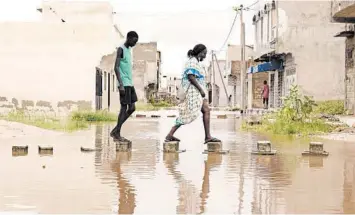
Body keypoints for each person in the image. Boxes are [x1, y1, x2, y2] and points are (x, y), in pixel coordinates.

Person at [165, 44, 221, 143]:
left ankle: (208, 136)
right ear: (199, 53)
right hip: (193, 92)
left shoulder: (196, 63)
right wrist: (201, 90)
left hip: (197, 93)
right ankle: (170, 134)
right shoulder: (192, 62)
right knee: (188, 114)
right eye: (204, 53)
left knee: (206, 110)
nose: (204, 56)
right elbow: (191, 77)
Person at [110, 31, 139, 142]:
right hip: (124, 84)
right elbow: (116, 67)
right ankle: (117, 133)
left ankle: (115, 130)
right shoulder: (121, 49)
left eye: (136, 42)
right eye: (134, 41)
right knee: (124, 108)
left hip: (129, 84)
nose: (135, 43)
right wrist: (121, 84)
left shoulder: (128, 50)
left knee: (132, 108)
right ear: (129, 38)